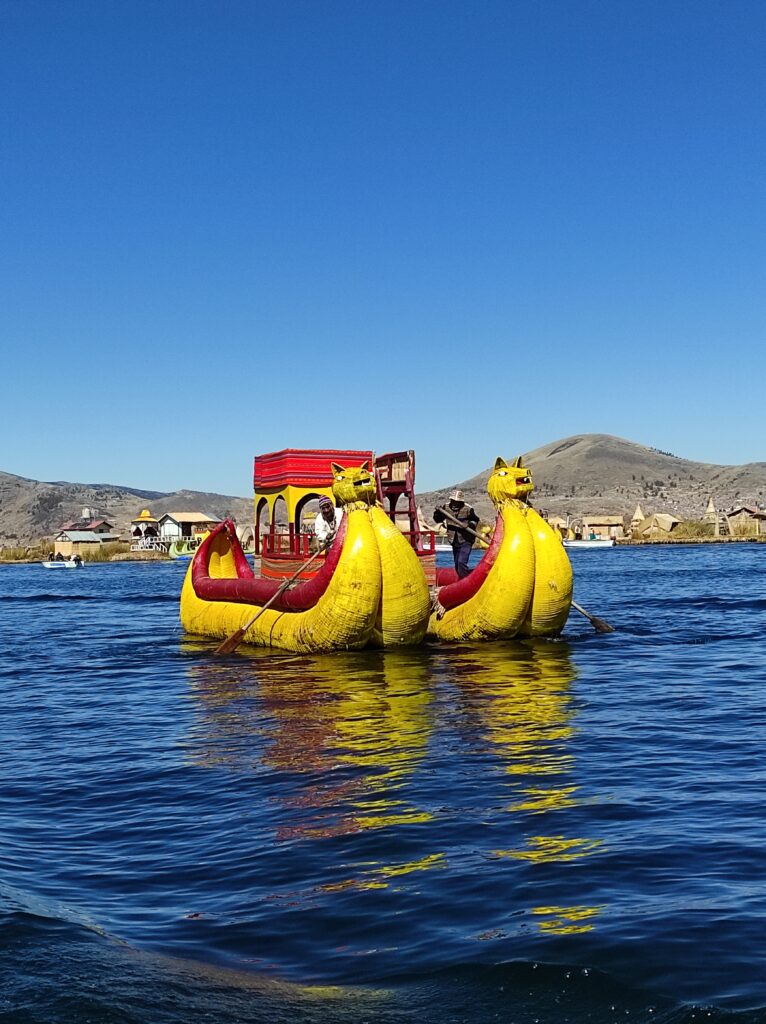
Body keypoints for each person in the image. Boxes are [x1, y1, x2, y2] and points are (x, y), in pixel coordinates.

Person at [433, 489, 479, 578]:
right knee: (457, 564)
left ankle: (467, 582)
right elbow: (437, 519)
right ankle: (464, 580)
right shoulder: (445, 507)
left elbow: (475, 520)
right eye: (453, 501)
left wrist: (469, 525)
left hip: (466, 539)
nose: (454, 504)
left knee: (462, 562)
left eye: (457, 502)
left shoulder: (468, 509)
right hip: (453, 540)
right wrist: (437, 513)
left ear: (461, 502)